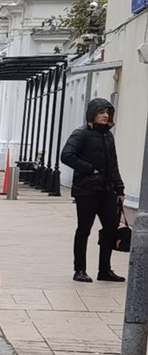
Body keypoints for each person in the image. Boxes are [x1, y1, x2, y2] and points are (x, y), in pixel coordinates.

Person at [60, 98, 126, 282]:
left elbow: (113, 163)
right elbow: (66, 155)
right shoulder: (81, 133)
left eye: (108, 112)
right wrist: (89, 169)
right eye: (101, 112)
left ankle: (104, 270)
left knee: (111, 228)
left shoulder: (108, 136)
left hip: (107, 190)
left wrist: (119, 188)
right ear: (92, 114)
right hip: (86, 190)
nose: (105, 116)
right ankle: (79, 270)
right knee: (84, 229)